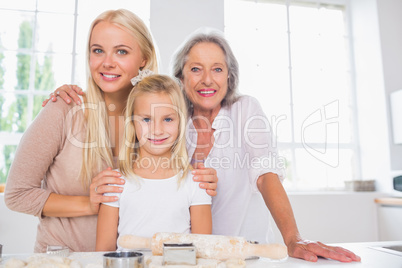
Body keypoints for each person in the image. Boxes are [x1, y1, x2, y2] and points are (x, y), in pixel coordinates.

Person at [42, 28, 360, 263]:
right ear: (180, 77)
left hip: (241, 253)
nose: (207, 80)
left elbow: (265, 173)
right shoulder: (171, 119)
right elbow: (124, 112)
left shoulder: (246, 110)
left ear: (229, 76)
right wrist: (69, 98)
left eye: (217, 69)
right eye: (196, 69)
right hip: (183, 257)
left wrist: (293, 239)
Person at [5, 9, 217, 253]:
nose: (107, 62)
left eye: (121, 51)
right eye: (98, 51)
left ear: (144, 59)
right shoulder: (65, 109)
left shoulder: (161, 116)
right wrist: (92, 203)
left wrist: (204, 176)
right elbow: (17, 195)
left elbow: (177, 186)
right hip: (63, 259)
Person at [96, 73, 212, 251]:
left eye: (167, 119)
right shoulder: (116, 183)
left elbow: (204, 252)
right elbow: (103, 254)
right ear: (132, 124)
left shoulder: (195, 183)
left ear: (180, 122)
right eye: (146, 119)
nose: (157, 130)